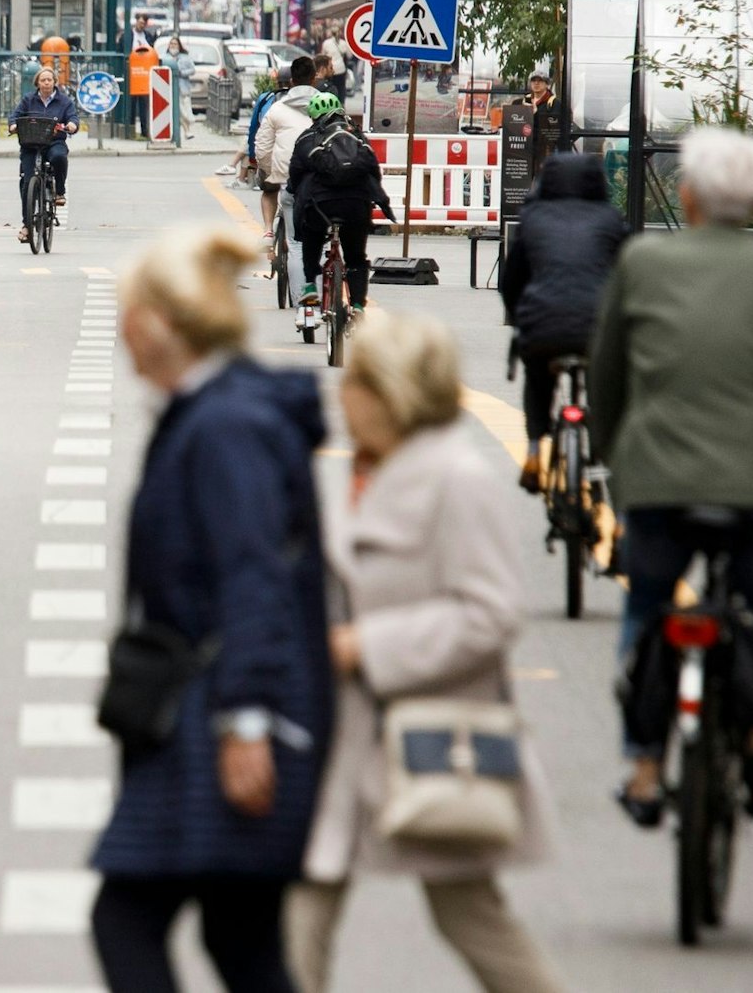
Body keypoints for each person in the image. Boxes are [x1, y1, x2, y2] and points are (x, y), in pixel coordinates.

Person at [589, 126, 753, 830]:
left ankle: (645, 767)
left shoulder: (642, 262)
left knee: (649, 609)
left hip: (657, 477)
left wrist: (612, 452)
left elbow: (608, 374)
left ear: (687, 194)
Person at [286, 309, 564, 993]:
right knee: (302, 912)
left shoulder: (453, 478)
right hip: (352, 736)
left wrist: (366, 645)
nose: (341, 393)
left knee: (471, 916)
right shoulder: (364, 468)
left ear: (390, 392)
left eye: (354, 380)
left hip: (433, 734)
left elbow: (492, 612)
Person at [92, 225, 334, 993]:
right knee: (242, 941)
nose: (123, 326)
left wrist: (248, 721)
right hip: (234, 701)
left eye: (130, 310)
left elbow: (253, 574)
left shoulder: (226, 425)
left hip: (229, 709)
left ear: (162, 321)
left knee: (126, 918)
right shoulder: (222, 411)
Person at [501, 151, 629, 493]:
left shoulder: (533, 218)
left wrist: (518, 319)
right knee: (607, 391)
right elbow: (628, 277)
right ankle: (607, 458)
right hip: (599, 329)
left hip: (543, 323)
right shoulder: (610, 219)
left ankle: (533, 450)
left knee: (539, 380)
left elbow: (511, 279)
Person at [287, 92, 393, 311]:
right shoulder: (356, 136)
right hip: (356, 204)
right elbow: (374, 170)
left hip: (320, 205)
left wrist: (293, 191)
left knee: (311, 236)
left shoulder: (308, 138)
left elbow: (295, 175)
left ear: (313, 116)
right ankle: (357, 305)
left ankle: (310, 286)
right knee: (355, 257)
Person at [12, 67, 80, 244]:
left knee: (59, 157)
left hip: (54, 141)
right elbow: (15, 116)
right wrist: (13, 125)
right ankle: (27, 225)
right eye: (43, 80)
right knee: (27, 182)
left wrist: (72, 124)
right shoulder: (28, 100)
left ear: (54, 82)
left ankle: (59, 191)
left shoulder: (64, 101)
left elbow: (73, 117)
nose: (47, 83)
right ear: (37, 83)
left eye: (50, 80)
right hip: (31, 143)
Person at [256, 56, 321, 239]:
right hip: (321, 174)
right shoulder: (326, 105)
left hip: (286, 174)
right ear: (314, 79)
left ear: (292, 81)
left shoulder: (277, 108)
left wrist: (270, 171)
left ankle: (268, 232)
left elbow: (262, 147)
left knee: (295, 243)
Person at [523, 74, 562, 165]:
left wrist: (536, 114)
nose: (536, 83)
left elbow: (554, 129)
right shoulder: (524, 101)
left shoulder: (554, 103)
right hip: (526, 148)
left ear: (547, 84)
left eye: (540, 81)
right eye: (533, 80)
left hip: (545, 151)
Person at [165, 36, 198, 137]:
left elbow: (193, 70)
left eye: (175, 44)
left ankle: (187, 129)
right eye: (171, 44)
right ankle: (186, 131)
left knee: (186, 110)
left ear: (179, 46)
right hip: (169, 88)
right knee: (178, 111)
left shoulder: (185, 57)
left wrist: (182, 73)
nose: (173, 46)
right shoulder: (165, 57)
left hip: (183, 88)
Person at [318, 27, 350, 98]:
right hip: (341, 69)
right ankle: (341, 104)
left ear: (331, 33)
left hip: (330, 69)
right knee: (341, 89)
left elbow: (322, 55)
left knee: (330, 87)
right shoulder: (343, 43)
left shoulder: (326, 43)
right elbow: (349, 55)